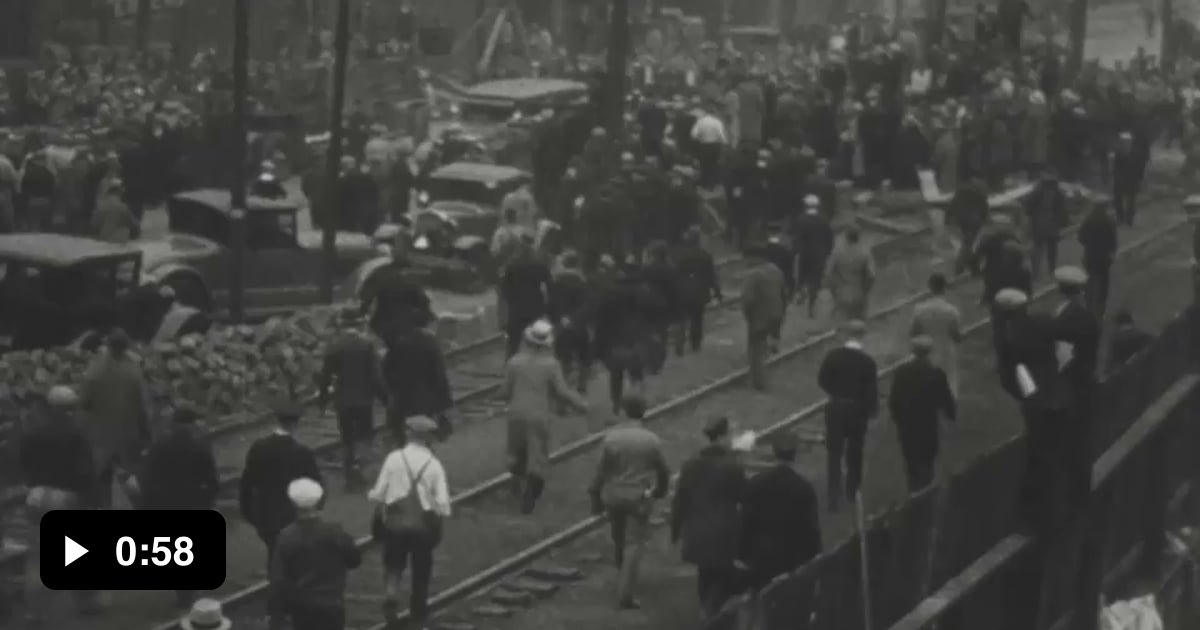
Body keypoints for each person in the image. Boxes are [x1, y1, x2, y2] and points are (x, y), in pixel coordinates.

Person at [20, 386, 99, 624]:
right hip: (65, 496)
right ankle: (84, 601)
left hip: (36, 495)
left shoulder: (33, 431)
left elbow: (24, 464)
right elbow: (86, 472)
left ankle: (33, 612)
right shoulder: (76, 433)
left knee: (38, 557)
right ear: (69, 409)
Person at [588, 395, 671, 609]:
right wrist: (660, 491)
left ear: (624, 411)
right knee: (634, 544)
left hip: (613, 495)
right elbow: (663, 470)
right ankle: (625, 593)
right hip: (638, 498)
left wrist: (595, 495)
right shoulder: (651, 440)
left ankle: (621, 570)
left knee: (618, 536)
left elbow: (600, 471)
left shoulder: (611, 438)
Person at [369, 416, 452, 629]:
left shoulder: (393, 458)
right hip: (422, 527)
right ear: (428, 439)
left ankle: (391, 594)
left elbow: (379, 492)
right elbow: (443, 503)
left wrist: (379, 510)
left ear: (409, 434)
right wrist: (437, 518)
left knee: (394, 564)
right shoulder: (434, 464)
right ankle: (418, 612)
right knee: (421, 570)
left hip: (395, 523)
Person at [504, 320, 589, 513]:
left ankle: (516, 485)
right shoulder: (551, 365)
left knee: (516, 451)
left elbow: (505, 390)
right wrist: (581, 405)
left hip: (516, 413)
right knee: (538, 457)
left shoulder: (514, 362)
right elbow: (562, 392)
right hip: (538, 416)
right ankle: (530, 498)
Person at [140, 406, 219, 608]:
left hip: (167, 503)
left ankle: (182, 591)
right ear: (192, 423)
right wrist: (208, 502)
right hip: (195, 503)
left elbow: (147, 478)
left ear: (174, 423)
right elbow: (212, 479)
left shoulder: (160, 445)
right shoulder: (200, 445)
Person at [671, 417, 746, 620]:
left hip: (696, 530)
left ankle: (707, 608)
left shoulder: (690, 465)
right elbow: (742, 496)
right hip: (723, 531)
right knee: (721, 575)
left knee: (705, 572)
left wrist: (675, 530)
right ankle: (712, 613)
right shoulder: (732, 466)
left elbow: (680, 500)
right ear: (722, 436)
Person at [238, 400, 323, 578]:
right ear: (296, 423)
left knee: (274, 552)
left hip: (265, 513)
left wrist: (248, 512)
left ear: (277, 420)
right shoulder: (302, 453)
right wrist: (315, 510)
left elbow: (247, 483)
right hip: (293, 514)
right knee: (293, 557)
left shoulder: (258, 448)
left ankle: (276, 588)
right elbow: (317, 485)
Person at [269, 478, 362, 630]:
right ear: (319, 501)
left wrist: (276, 613)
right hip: (332, 604)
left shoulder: (286, 536)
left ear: (293, 504)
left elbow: (278, 578)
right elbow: (355, 560)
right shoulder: (335, 531)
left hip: (302, 606)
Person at [739, 431, 821, 589]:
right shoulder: (803, 488)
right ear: (794, 454)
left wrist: (744, 555)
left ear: (774, 452)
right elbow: (812, 529)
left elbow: (745, 521)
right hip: (793, 559)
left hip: (761, 558)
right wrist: (814, 559)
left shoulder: (755, 483)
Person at [79, 328, 152, 509]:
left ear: (109, 345)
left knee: (102, 477)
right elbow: (144, 405)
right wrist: (147, 431)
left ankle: (105, 507)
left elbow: (85, 400)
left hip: (100, 434)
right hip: (128, 432)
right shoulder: (133, 369)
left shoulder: (95, 370)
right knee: (129, 475)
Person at [318, 306, 389, 488]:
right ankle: (361, 469)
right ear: (360, 324)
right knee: (364, 436)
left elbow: (325, 376)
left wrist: (323, 400)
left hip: (343, 399)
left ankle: (350, 475)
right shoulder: (366, 345)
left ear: (341, 324)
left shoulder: (334, 345)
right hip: (364, 399)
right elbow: (375, 376)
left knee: (347, 437)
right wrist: (385, 399)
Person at [817, 320, 878, 511]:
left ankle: (833, 496)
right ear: (862, 336)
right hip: (857, 411)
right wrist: (870, 410)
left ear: (847, 335)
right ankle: (853, 492)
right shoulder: (868, 362)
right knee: (855, 452)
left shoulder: (833, 356)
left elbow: (822, 380)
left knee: (834, 453)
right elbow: (871, 392)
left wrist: (835, 393)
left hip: (835, 408)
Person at [889, 335, 958, 492]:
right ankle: (926, 494)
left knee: (911, 464)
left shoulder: (901, 372)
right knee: (927, 462)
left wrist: (899, 419)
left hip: (907, 428)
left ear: (913, 351)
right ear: (929, 352)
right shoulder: (936, 374)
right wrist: (951, 416)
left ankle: (914, 493)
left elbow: (894, 402)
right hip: (928, 427)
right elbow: (946, 402)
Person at [382, 312, 454, 443]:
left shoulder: (397, 341)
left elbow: (386, 369)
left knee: (401, 434)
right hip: (425, 399)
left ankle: (403, 454)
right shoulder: (430, 342)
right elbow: (439, 373)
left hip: (402, 397)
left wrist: (392, 390)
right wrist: (444, 402)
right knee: (423, 433)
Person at [741, 242, 787, 390]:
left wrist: (748, 316)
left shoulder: (752, 274)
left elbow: (747, 299)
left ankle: (759, 383)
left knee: (755, 350)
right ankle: (772, 345)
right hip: (776, 313)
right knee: (763, 344)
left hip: (759, 316)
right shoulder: (776, 270)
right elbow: (784, 293)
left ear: (753, 258)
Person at [910, 273, 963, 396]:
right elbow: (956, 336)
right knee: (949, 382)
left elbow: (913, 332)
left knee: (925, 383)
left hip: (926, 350)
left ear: (929, 287)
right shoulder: (951, 311)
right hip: (946, 351)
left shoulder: (919, 309)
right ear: (944, 287)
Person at [672, 227, 723, 354]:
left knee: (681, 318)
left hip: (681, 292)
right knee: (697, 318)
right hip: (699, 293)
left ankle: (679, 341)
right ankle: (695, 343)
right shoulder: (705, 255)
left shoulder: (678, 255)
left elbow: (674, 274)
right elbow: (711, 276)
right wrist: (717, 292)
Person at [501, 236, 552, 358]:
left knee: (513, 342)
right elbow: (549, 286)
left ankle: (510, 366)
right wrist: (547, 307)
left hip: (517, 309)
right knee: (538, 340)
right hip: (535, 307)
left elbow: (505, 289)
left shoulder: (512, 266)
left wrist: (511, 301)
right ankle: (537, 364)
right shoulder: (539, 265)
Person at [791, 195, 834, 317]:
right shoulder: (823, 220)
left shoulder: (801, 219)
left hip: (805, 254)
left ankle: (800, 293)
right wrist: (828, 252)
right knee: (815, 280)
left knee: (802, 276)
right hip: (819, 255)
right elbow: (829, 237)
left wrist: (796, 250)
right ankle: (811, 304)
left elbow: (797, 238)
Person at [824, 228, 876, 322]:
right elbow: (872, 275)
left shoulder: (837, 253)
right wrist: (866, 290)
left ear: (846, 238)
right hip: (859, 294)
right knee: (859, 326)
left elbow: (828, 274)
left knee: (843, 326)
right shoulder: (865, 253)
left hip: (842, 294)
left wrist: (834, 293)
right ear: (858, 238)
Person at [1024, 168, 1067, 279]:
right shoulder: (1058, 192)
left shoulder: (1037, 190)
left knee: (1038, 248)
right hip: (1052, 223)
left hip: (1039, 223)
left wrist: (1029, 218)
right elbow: (1061, 209)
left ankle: (1036, 272)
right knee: (1051, 248)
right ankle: (1051, 270)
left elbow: (1029, 207)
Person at [1078, 199, 1118, 315]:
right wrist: (1111, 252)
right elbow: (1113, 241)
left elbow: (1080, 237)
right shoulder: (1109, 221)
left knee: (1089, 281)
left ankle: (1088, 306)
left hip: (1089, 256)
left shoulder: (1088, 220)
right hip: (1103, 258)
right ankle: (1099, 311)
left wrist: (1089, 244)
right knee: (1102, 285)